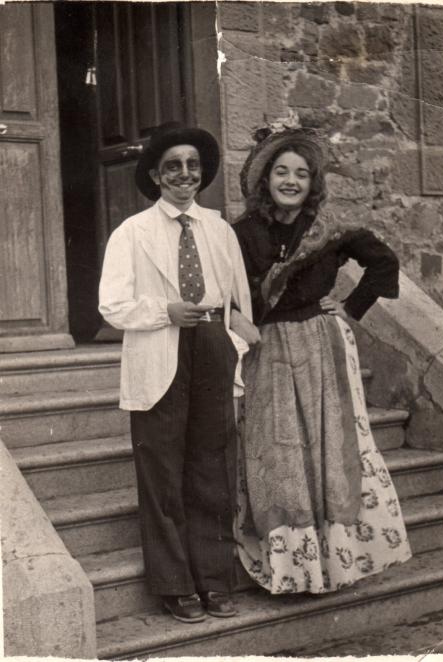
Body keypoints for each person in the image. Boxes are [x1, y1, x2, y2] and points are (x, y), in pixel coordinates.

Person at [232, 121, 412, 595]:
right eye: (281, 171)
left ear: (313, 183)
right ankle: (293, 570)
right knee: (279, 453)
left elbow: (384, 262)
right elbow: (228, 292)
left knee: (328, 447)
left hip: (321, 344)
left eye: (302, 173)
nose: (290, 181)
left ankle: (334, 563)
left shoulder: (329, 229)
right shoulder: (242, 233)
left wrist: (351, 307)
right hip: (267, 348)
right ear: (265, 178)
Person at [98, 122, 257, 622]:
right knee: (162, 469)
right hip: (159, 344)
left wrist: (234, 339)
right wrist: (163, 311)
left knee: (212, 467)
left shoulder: (219, 230)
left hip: (210, 345)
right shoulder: (132, 233)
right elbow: (111, 305)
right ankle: (175, 585)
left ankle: (214, 579)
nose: (185, 174)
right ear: (155, 175)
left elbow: (236, 299)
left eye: (193, 165)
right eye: (173, 166)